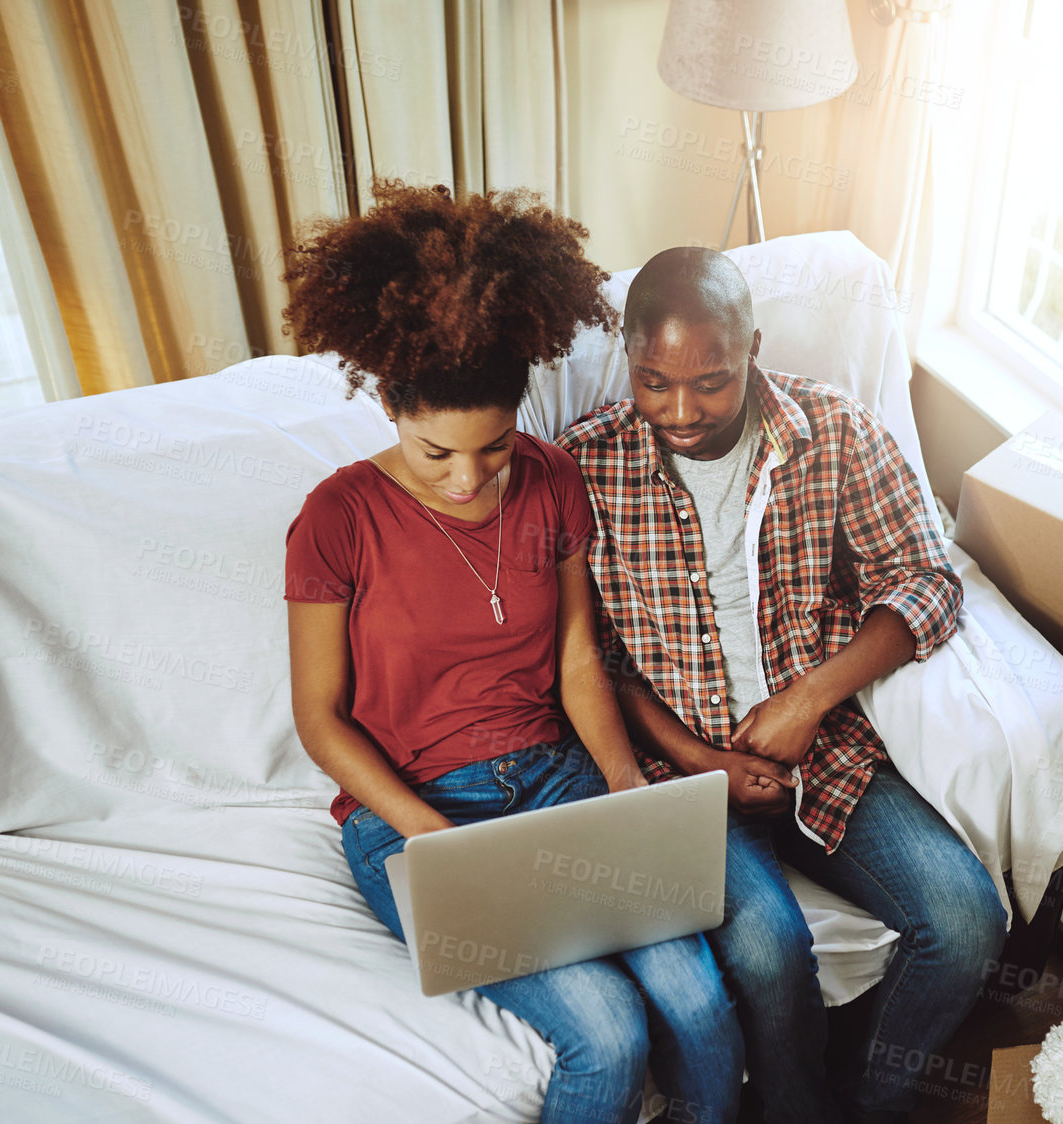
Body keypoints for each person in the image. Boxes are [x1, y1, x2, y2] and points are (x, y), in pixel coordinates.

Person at [280, 184, 742, 1124]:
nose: (467, 479)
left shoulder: (552, 477)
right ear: (387, 406)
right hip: (414, 814)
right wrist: (431, 838)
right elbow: (317, 716)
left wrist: (623, 783)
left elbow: (578, 652)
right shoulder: (334, 519)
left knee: (698, 1004)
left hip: (556, 779)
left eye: (491, 447)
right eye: (433, 453)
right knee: (606, 1035)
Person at [558, 246, 1008, 1123]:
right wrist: (698, 759)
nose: (680, 413)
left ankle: (863, 1105)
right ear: (626, 358)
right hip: (677, 771)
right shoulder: (585, 466)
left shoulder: (833, 430)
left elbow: (924, 580)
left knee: (965, 926)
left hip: (821, 750)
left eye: (712, 383)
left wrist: (810, 700)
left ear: (753, 346)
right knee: (766, 952)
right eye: (654, 383)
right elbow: (594, 660)